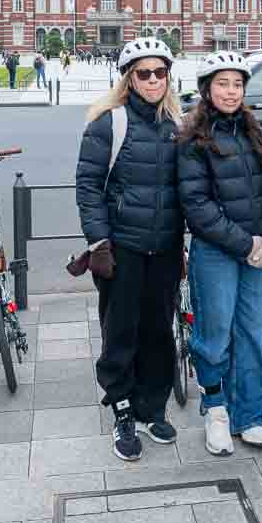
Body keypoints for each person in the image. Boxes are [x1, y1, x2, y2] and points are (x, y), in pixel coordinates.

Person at [76, 37, 184, 462]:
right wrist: (98, 241)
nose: (154, 80)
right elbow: (87, 187)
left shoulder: (177, 123)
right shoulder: (109, 123)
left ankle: (151, 405)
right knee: (121, 330)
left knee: (159, 329)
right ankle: (122, 406)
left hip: (165, 246)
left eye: (160, 72)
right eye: (144, 73)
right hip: (123, 247)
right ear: (129, 78)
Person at [178, 52, 262, 457]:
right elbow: (197, 205)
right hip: (218, 252)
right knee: (215, 336)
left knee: (253, 334)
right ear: (207, 89)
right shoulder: (193, 138)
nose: (230, 91)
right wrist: (247, 244)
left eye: (237, 84)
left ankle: (251, 414)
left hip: (259, 251)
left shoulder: (254, 130)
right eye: (222, 83)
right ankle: (216, 409)